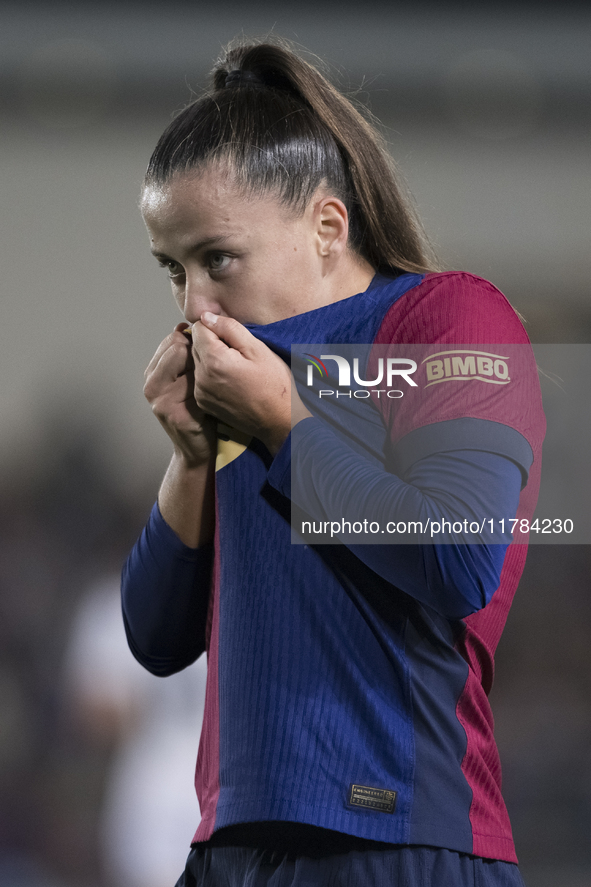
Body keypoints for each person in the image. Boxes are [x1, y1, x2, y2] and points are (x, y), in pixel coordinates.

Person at [122, 37, 545, 886]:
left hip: (398, 840)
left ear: (325, 226)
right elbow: (157, 637)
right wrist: (192, 459)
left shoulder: (448, 315)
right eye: (174, 269)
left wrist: (283, 422)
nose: (194, 304)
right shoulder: (249, 376)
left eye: (219, 259)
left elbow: (457, 558)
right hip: (227, 847)